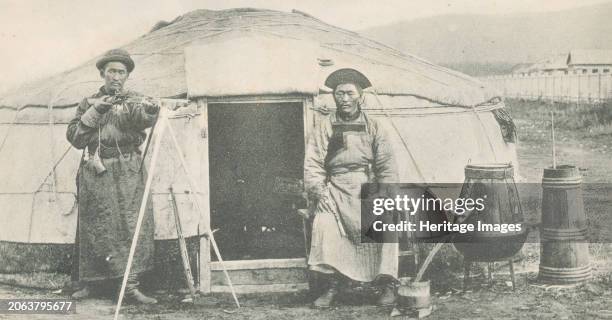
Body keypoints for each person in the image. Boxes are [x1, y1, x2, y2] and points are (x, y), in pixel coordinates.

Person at [66, 49, 159, 304]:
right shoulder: (88, 102)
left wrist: (150, 110)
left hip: (128, 170)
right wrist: (96, 110)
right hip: (96, 168)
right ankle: (92, 285)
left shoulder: (133, 101)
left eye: (121, 72)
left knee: (130, 224)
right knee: (95, 225)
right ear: (102, 74)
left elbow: (142, 118)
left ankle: (130, 287)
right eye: (111, 71)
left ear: (127, 75)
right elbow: (75, 137)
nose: (116, 77)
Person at [304, 68, 399, 308]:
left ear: (360, 97)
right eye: (339, 94)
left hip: (367, 187)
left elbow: (387, 164)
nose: (344, 99)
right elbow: (313, 163)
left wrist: (384, 193)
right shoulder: (324, 126)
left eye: (349, 93)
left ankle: (386, 284)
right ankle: (332, 287)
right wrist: (319, 192)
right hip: (335, 189)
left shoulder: (374, 126)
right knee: (324, 223)